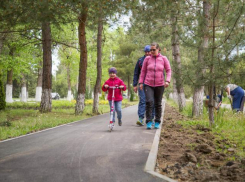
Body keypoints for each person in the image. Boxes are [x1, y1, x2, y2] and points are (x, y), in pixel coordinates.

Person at [139, 43, 171, 129]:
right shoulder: (147, 59)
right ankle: (149, 121)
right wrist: (141, 82)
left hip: (160, 84)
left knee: (158, 103)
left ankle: (157, 121)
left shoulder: (164, 59)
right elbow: (143, 71)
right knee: (149, 102)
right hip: (148, 84)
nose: (151, 52)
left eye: (153, 50)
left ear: (158, 49)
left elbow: (168, 70)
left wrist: (167, 80)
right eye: (150, 50)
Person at [133, 45, 155, 126]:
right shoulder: (140, 61)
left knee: (152, 101)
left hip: (153, 84)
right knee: (142, 101)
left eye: (148, 51)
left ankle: (152, 118)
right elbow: (136, 73)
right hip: (142, 83)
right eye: (146, 52)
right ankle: (141, 118)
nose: (147, 53)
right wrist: (135, 85)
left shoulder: (155, 60)